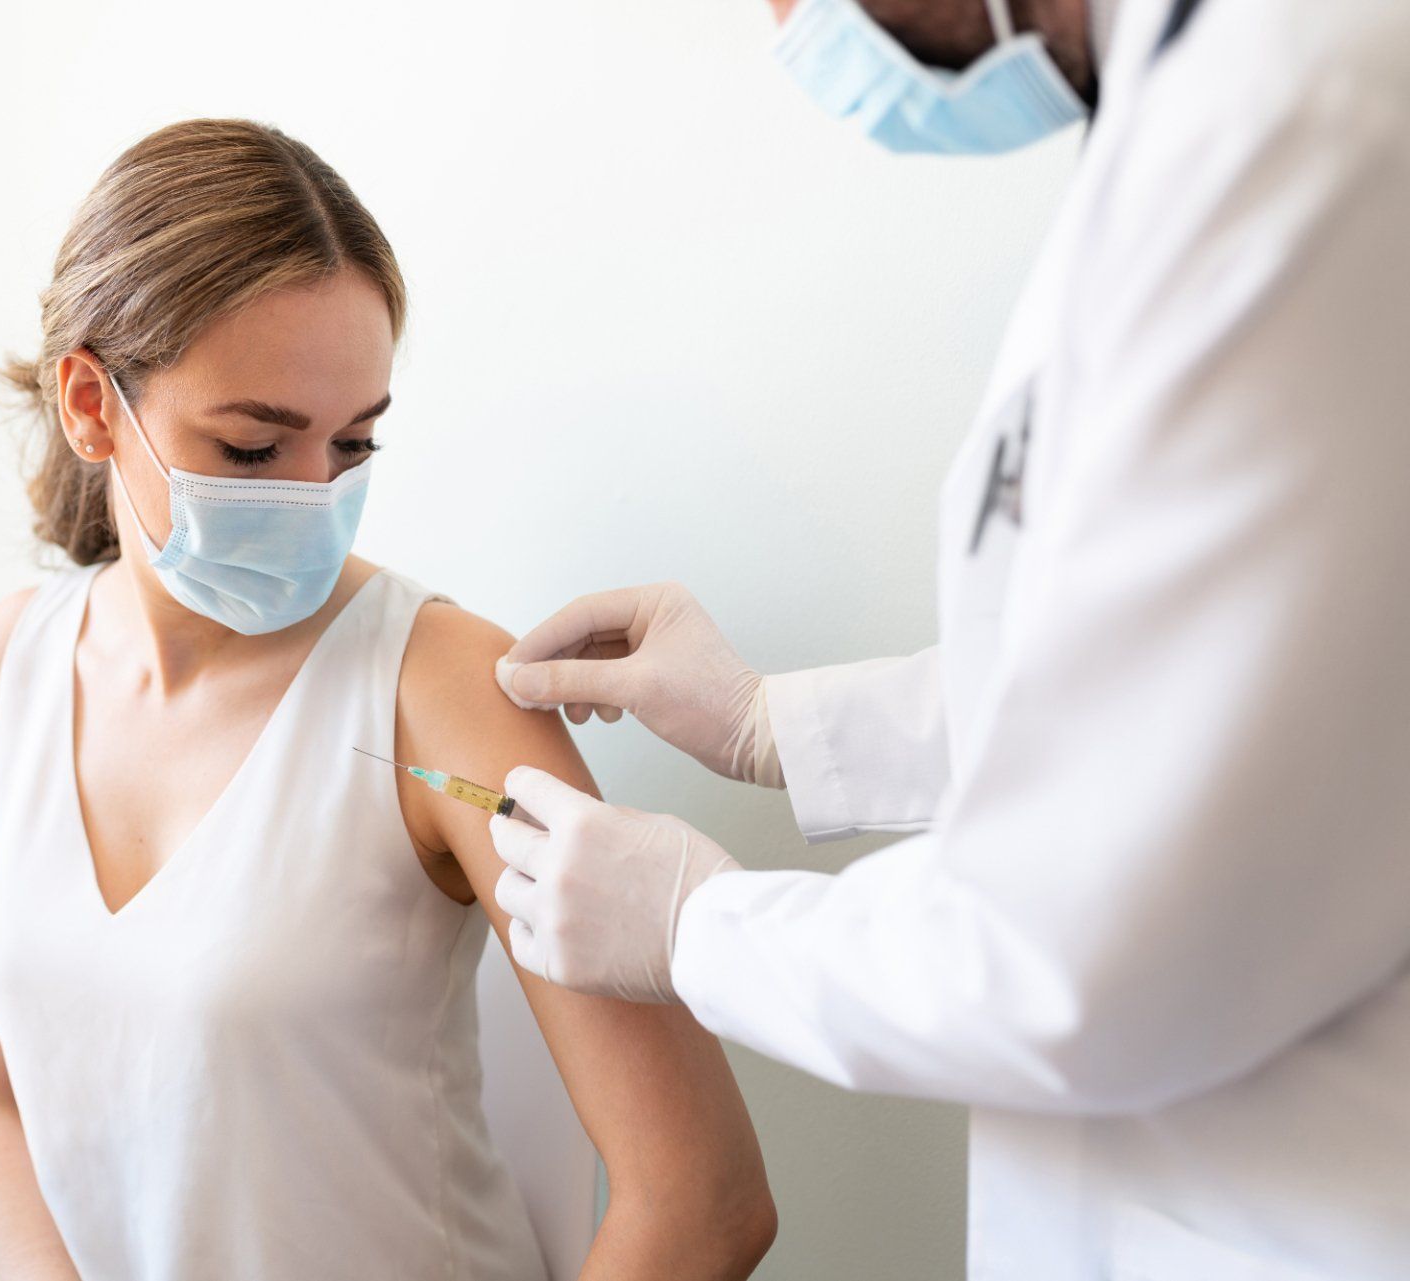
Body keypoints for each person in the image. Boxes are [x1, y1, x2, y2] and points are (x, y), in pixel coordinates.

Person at [488, 0, 1410, 1277]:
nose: (786, 20)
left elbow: (1082, 951)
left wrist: (704, 926)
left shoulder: (1299, 127)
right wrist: (778, 724)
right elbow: (1200, 680)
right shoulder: (1196, 117)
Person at [0, 120, 775, 1281]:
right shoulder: (2, 672)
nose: (315, 499)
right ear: (89, 405)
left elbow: (704, 1202)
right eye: (256, 449)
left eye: (353, 444)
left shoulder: (445, 688)